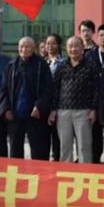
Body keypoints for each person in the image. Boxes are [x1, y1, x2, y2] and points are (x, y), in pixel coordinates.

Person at [0, 37, 54, 160]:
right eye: (21, 47)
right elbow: (3, 89)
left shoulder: (41, 65)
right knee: (15, 149)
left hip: (35, 114)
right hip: (15, 113)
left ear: (34, 48)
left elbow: (48, 89)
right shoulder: (11, 66)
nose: (24, 49)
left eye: (28, 47)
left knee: (38, 150)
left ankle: (38, 172)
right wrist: (5, 109)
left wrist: (39, 106)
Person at [49, 37, 99, 163]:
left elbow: (96, 89)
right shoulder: (62, 66)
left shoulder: (91, 65)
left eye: (76, 46)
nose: (73, 49)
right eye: (70, 46)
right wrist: (53, 110)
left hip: (84, 111)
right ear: (66, 49)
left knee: (84, 146)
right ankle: (66, 173)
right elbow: (55, 89)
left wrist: (94, 109)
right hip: (63, 111)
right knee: (65, 147)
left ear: (82, 48)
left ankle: (85, 172)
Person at [85, 24, 104, 164]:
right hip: (94, 99)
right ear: (97, 36)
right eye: (101, 35)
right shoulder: (89, 55)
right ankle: (95, 160)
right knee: (95, 134)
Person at [44, 33, 64, 161]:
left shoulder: (64, 63)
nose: (50, 46)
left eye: (53, 43)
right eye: (48, 43)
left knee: (57, 136)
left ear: (59, 45)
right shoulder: (41, 62)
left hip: (59, 104)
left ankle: (56, 159)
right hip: (44, 104)